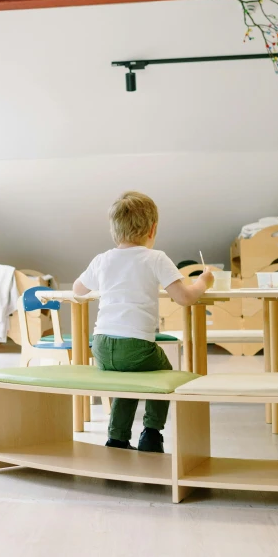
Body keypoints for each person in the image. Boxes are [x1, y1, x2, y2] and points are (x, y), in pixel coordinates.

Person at [73, 191, 214, 453]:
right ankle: (151, 432)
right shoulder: (156, 258)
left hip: (102, 345)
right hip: (136, 346)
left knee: (128, 380)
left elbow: (78, 290)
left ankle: (116, 438)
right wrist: (203, 282)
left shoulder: (102, 260)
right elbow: (184, 298)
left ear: (114, 230)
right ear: (153, 228)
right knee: (165, 372)